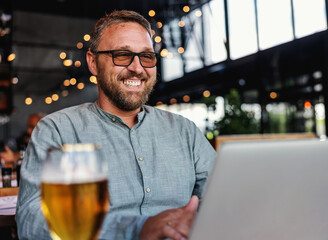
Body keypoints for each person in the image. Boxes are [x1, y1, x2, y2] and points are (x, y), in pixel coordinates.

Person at [15, 10, 216, 240]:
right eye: (122, 55)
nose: (137, 68)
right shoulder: (59, 130)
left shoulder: (185, 131)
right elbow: (32, 220)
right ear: (93, 63)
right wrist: (136, 229)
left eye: (147, 57)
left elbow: (224, 197)